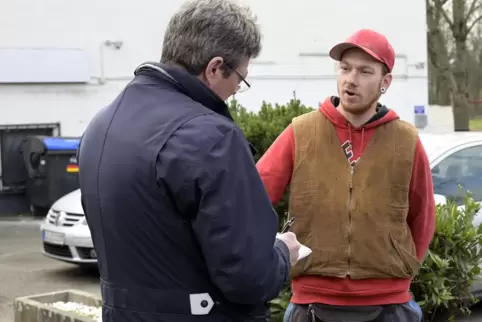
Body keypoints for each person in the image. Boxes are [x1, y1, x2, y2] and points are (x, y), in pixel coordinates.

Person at [77, 0, 301, 321]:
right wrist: (282, 253)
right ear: (214, 68)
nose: (236, 90)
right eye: (239, 78)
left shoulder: (101, 124)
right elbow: (248, 278)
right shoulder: (210, 137)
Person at [256, 29, 435, 322]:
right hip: (310, 302)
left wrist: (399, 265)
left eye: (365, 71)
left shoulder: (406, 140)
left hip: (390, 303)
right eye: (345, 68)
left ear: (385, 82)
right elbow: (253, 198)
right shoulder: (300, 132)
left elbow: (423, 218)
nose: (351, 79)